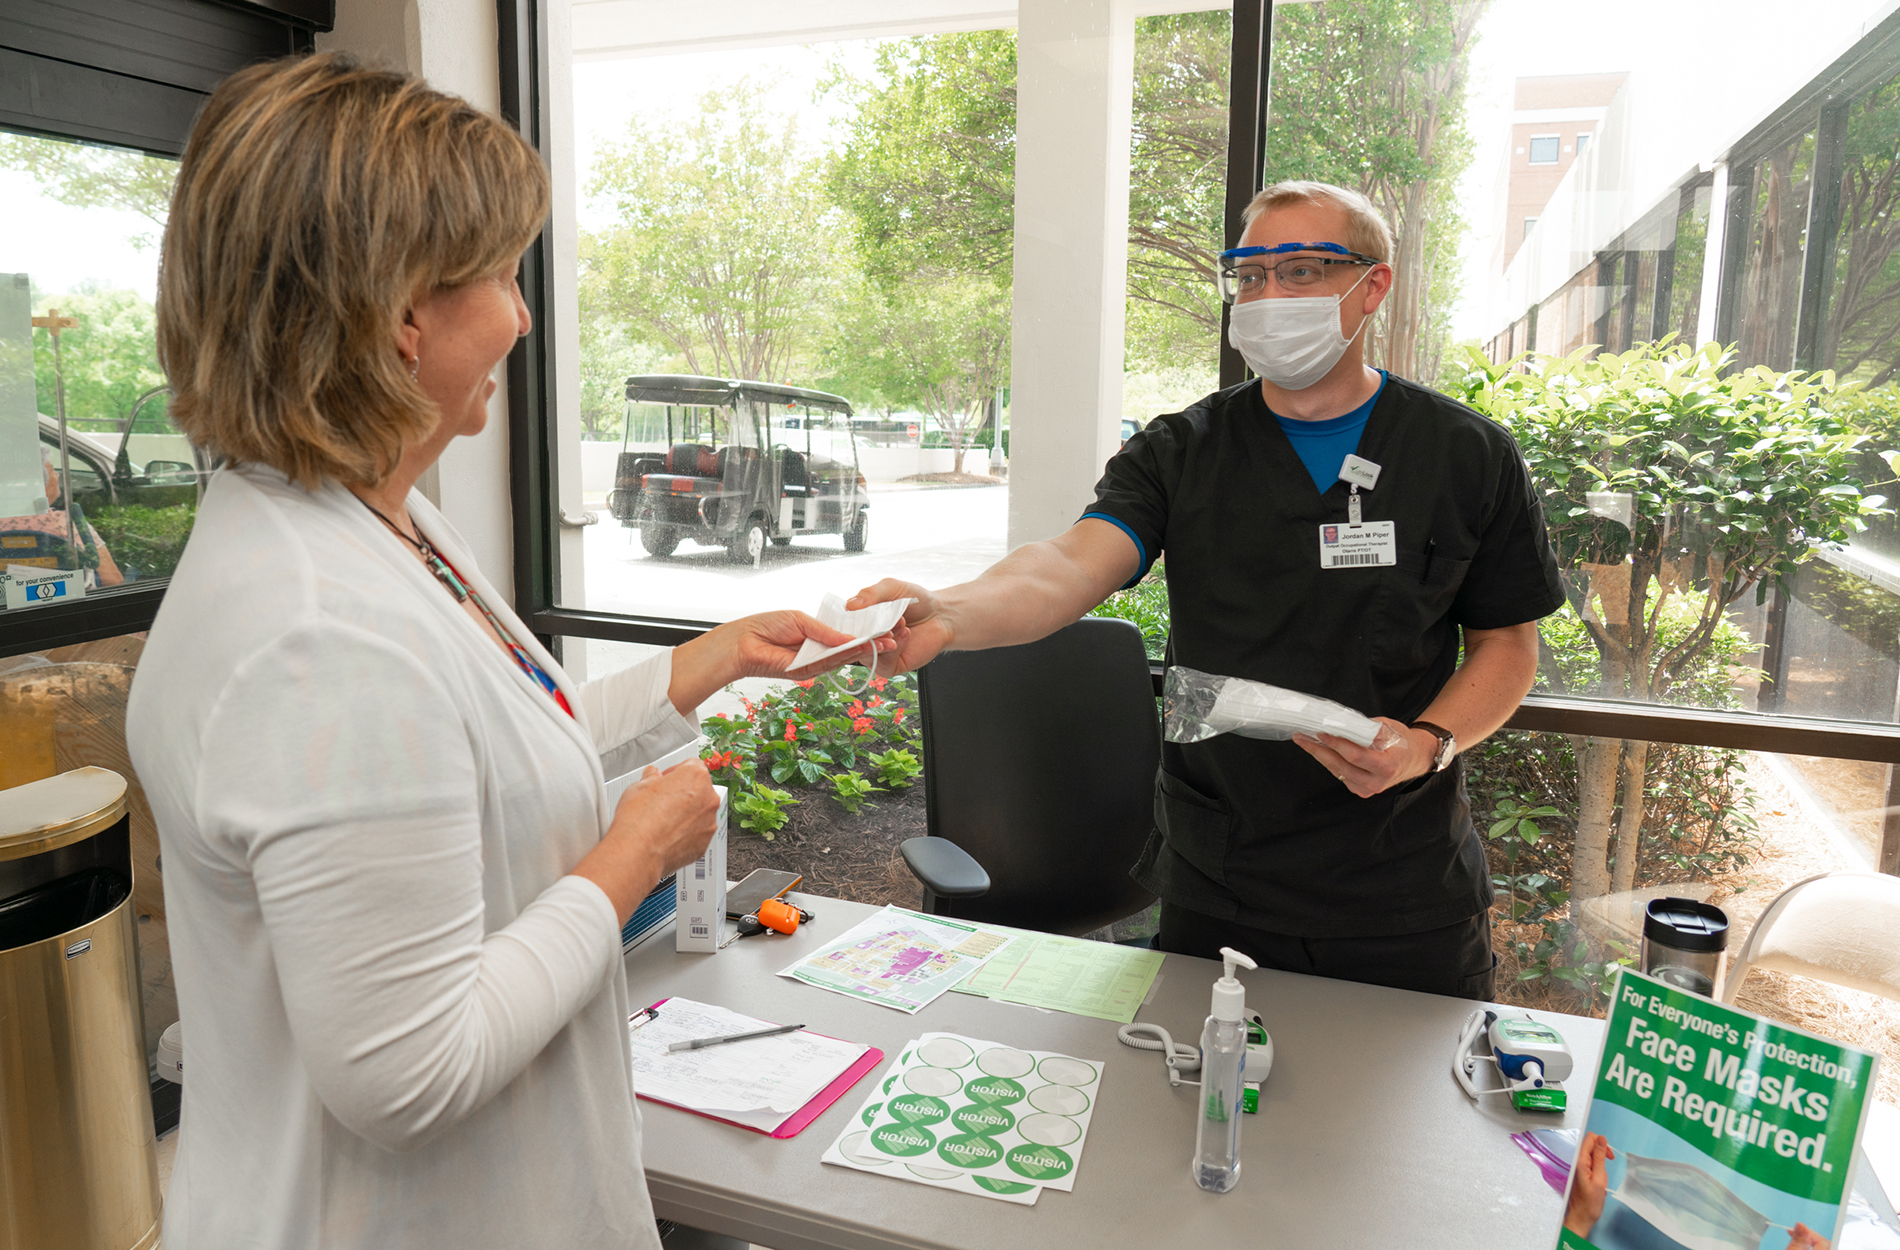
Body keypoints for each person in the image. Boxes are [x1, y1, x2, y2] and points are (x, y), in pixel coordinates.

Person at [125, 55, 868, 1250]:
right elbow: (408, 1073)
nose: (523, 318)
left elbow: (489, 734)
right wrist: (635, 855)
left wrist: (705, 662)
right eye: (504, 278)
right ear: (399, 313)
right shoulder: (317, 634)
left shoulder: (368, 518)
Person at [852, 180, 1565, 1000]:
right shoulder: (1181, 451)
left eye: (1299, 270)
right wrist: (950, 612)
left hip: (1402, 883)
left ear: (1373, 286)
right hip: (1221, 880)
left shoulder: (1466, 454)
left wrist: (1429, 742)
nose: (1268, 297)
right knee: (1199, 1105)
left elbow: (1507, 644)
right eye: (1250, 275)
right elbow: (1071, 563)